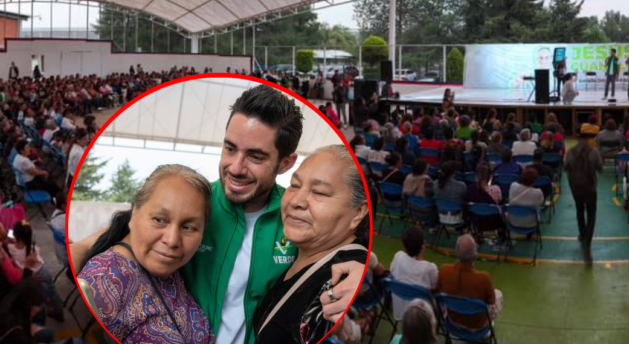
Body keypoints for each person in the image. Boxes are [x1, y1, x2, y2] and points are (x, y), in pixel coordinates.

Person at [70, 85, 363, 344]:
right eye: (230, 148)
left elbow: (336, 243)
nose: (236, 167)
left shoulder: (295, 219)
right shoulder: (194, 203)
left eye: (256, 156)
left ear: (285, 163)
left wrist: (362, 263)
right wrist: (80, 250)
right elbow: (132, 227)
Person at [77, 165, 216, 344]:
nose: (172, 240)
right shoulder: (104, 282)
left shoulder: (171, 269)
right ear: (134, 213)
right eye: (159, 220)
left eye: (188, 227)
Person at [252, 145, 369, 344]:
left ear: (357, 212)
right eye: (294, 185)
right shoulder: (302, 252)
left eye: (320, 192)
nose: (296, 201)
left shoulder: (339, 283)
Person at [436, 235, 500, 334]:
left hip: (453, 322)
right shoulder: (484, 278)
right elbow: (491, 301)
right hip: (477, 326)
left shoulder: (444, 270)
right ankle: (487, 326)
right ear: (475, 255)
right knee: (498, 294)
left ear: (456, 252)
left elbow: (437, 290)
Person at [564, 129, 604, 265]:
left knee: (579, 210)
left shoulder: (570, 152)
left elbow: (565, 167)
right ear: (587, 140)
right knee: (591, 215)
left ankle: (582, 234)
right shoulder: (594, 152)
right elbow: (600, 168)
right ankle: (588, 242)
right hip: (590, 188)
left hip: (575, 188)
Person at [388, 227, 438, 320]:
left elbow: (392, 273)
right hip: (422, 316)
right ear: (422, 246)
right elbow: (436, 288)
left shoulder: (398, 257)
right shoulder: (429, 268)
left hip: (400, 311)